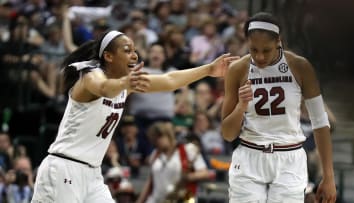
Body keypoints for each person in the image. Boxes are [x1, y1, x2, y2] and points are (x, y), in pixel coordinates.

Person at [31, 30, 238, 203]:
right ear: (109, 56)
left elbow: (169, 80)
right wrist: (125, 84)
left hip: (92, 173)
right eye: (127, 50)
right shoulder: (89, 75)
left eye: (135, 51)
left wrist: (209, 69)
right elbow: (104, 88)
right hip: (64, 168)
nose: (135, 55)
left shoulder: (125, 84)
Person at [221, 12, 336, 203]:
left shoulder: (300, 67)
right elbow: (227, 134)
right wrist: (241, 107)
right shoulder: (237, 69)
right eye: (253, 49)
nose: (259, 56)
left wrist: (329, 176)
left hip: (289, 158)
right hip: (250, 155)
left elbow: (321, 124)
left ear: (278, 41)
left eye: (266, 50)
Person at [136, 121, 212, 203]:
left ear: (168, 135)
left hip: (183, 198)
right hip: (158, 199)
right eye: (154, 140)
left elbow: (205, 173)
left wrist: (188, 177)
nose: (156, 142)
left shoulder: (188, 149)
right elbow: (151, 181)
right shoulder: (155, 154)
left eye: (159, 137)